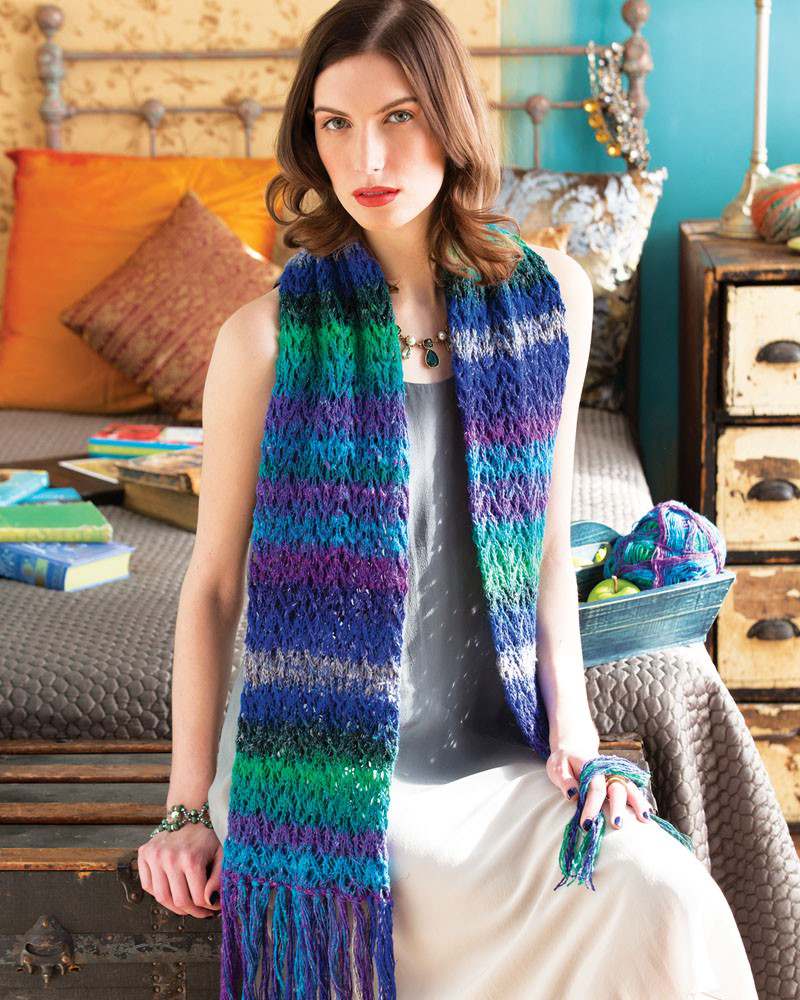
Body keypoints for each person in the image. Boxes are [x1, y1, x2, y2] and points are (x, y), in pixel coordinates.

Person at [137, 2, 759, 997]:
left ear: (451, 121)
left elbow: (543, 550)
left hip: (501, 761)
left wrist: (575, 731)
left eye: (399, 116)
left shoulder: (550, 299)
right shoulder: (262, 341)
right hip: (323, 774)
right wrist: (183, 808)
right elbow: (211, 588)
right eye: (336, 124)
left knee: (666, 894)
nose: (368, 157)